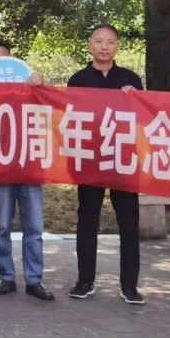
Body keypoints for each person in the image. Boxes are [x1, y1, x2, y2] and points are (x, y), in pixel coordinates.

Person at [63, 24, 145, 304]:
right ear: (90, 45)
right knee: (87, 219)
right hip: (90, 158)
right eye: (99, 41)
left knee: (129, 222)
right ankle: (84, 280)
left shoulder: (130, 79)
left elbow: (143, 117)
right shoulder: (78, 79)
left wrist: (135, 98)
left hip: (122, 157)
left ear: (117, 46)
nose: (104, 47)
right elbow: (68, 116)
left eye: (110, 42)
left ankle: (130, 285)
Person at [0, 41, 54, 301]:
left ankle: (35, 279)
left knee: (34, 226)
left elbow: (52, 105)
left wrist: (42, 84)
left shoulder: (30, 87)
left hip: (29, 167)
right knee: (2, 225)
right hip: (0, 170)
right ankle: (6, 276)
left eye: (4, 61)